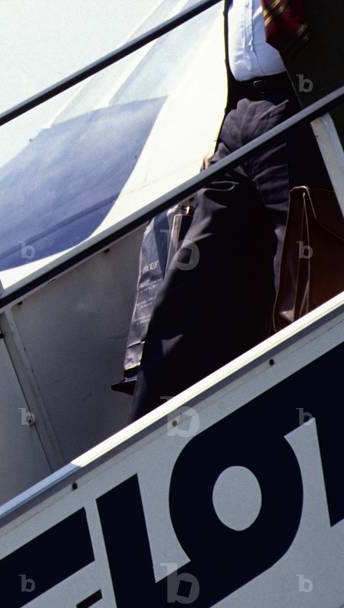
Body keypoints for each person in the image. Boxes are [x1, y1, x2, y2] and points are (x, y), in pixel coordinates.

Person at [129, 0, 333, 418]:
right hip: (240, 121)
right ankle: (154, 421)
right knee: (188, 279)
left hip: (298, 106)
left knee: (302, 277)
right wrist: (220, 123)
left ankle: (311, 404)